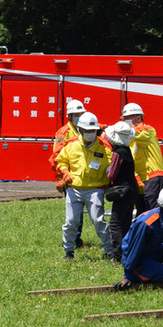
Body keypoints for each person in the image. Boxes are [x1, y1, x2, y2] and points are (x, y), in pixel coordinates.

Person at [55, 112, 113, 260]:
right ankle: (68, 251)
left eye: (92, 131)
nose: (89, 134)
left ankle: (108, 251)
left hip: (95, 190)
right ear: (80, 130)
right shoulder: (71, 144)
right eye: (86, 131)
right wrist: (65, 172)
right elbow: (61, 160)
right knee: (71, 221)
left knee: (98, 220)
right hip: (74, 189)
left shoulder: (104, 147)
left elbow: (112, 166)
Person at [49, 99, 87, 248]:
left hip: (82, 176)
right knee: (74, 212)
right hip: (69, 177)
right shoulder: (64, 132)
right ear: (70, 117)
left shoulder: (82, 129)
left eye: (81, 114)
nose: (79, 117)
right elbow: (56, 157)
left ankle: (76, 239)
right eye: (76, 114)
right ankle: (75, 241)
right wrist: (60, 177)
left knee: (80, 210)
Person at [122, 102, 163, 213]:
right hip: (141, 181)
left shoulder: (148, 130)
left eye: (128, 118)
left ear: (138, 118)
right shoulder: (131, 139)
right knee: (142, 212)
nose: (125, 121)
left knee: (152, 213)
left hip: (152, 178)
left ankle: (157, 230)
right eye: (124, 118)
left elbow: (132, 132)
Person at [105, 121, 138, 262]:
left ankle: (117, 255)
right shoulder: (128, 151)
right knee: (126, 223)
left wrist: (106, 169)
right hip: (131, 191)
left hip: (122, 192)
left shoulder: (118, 152)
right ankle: (127, 252)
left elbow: (112, 175)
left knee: (116, 224)